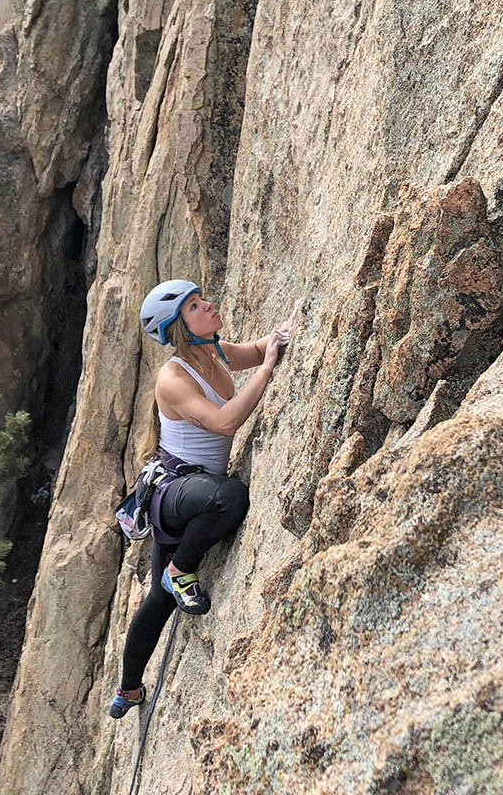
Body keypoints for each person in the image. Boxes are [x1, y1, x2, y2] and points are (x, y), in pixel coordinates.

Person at [109, 279, 291, 719]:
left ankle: (128, 689)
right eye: (194, 306)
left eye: (201, 299)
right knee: (233, 497)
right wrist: (265, 370)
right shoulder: (172, 378)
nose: (207, 306)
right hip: (175, 492)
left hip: (193, 492)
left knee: (158, 600)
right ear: (179, 328)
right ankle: (180, 569)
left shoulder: (215, 351)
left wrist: (287, 331)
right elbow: (226, 423)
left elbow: (259, 346)